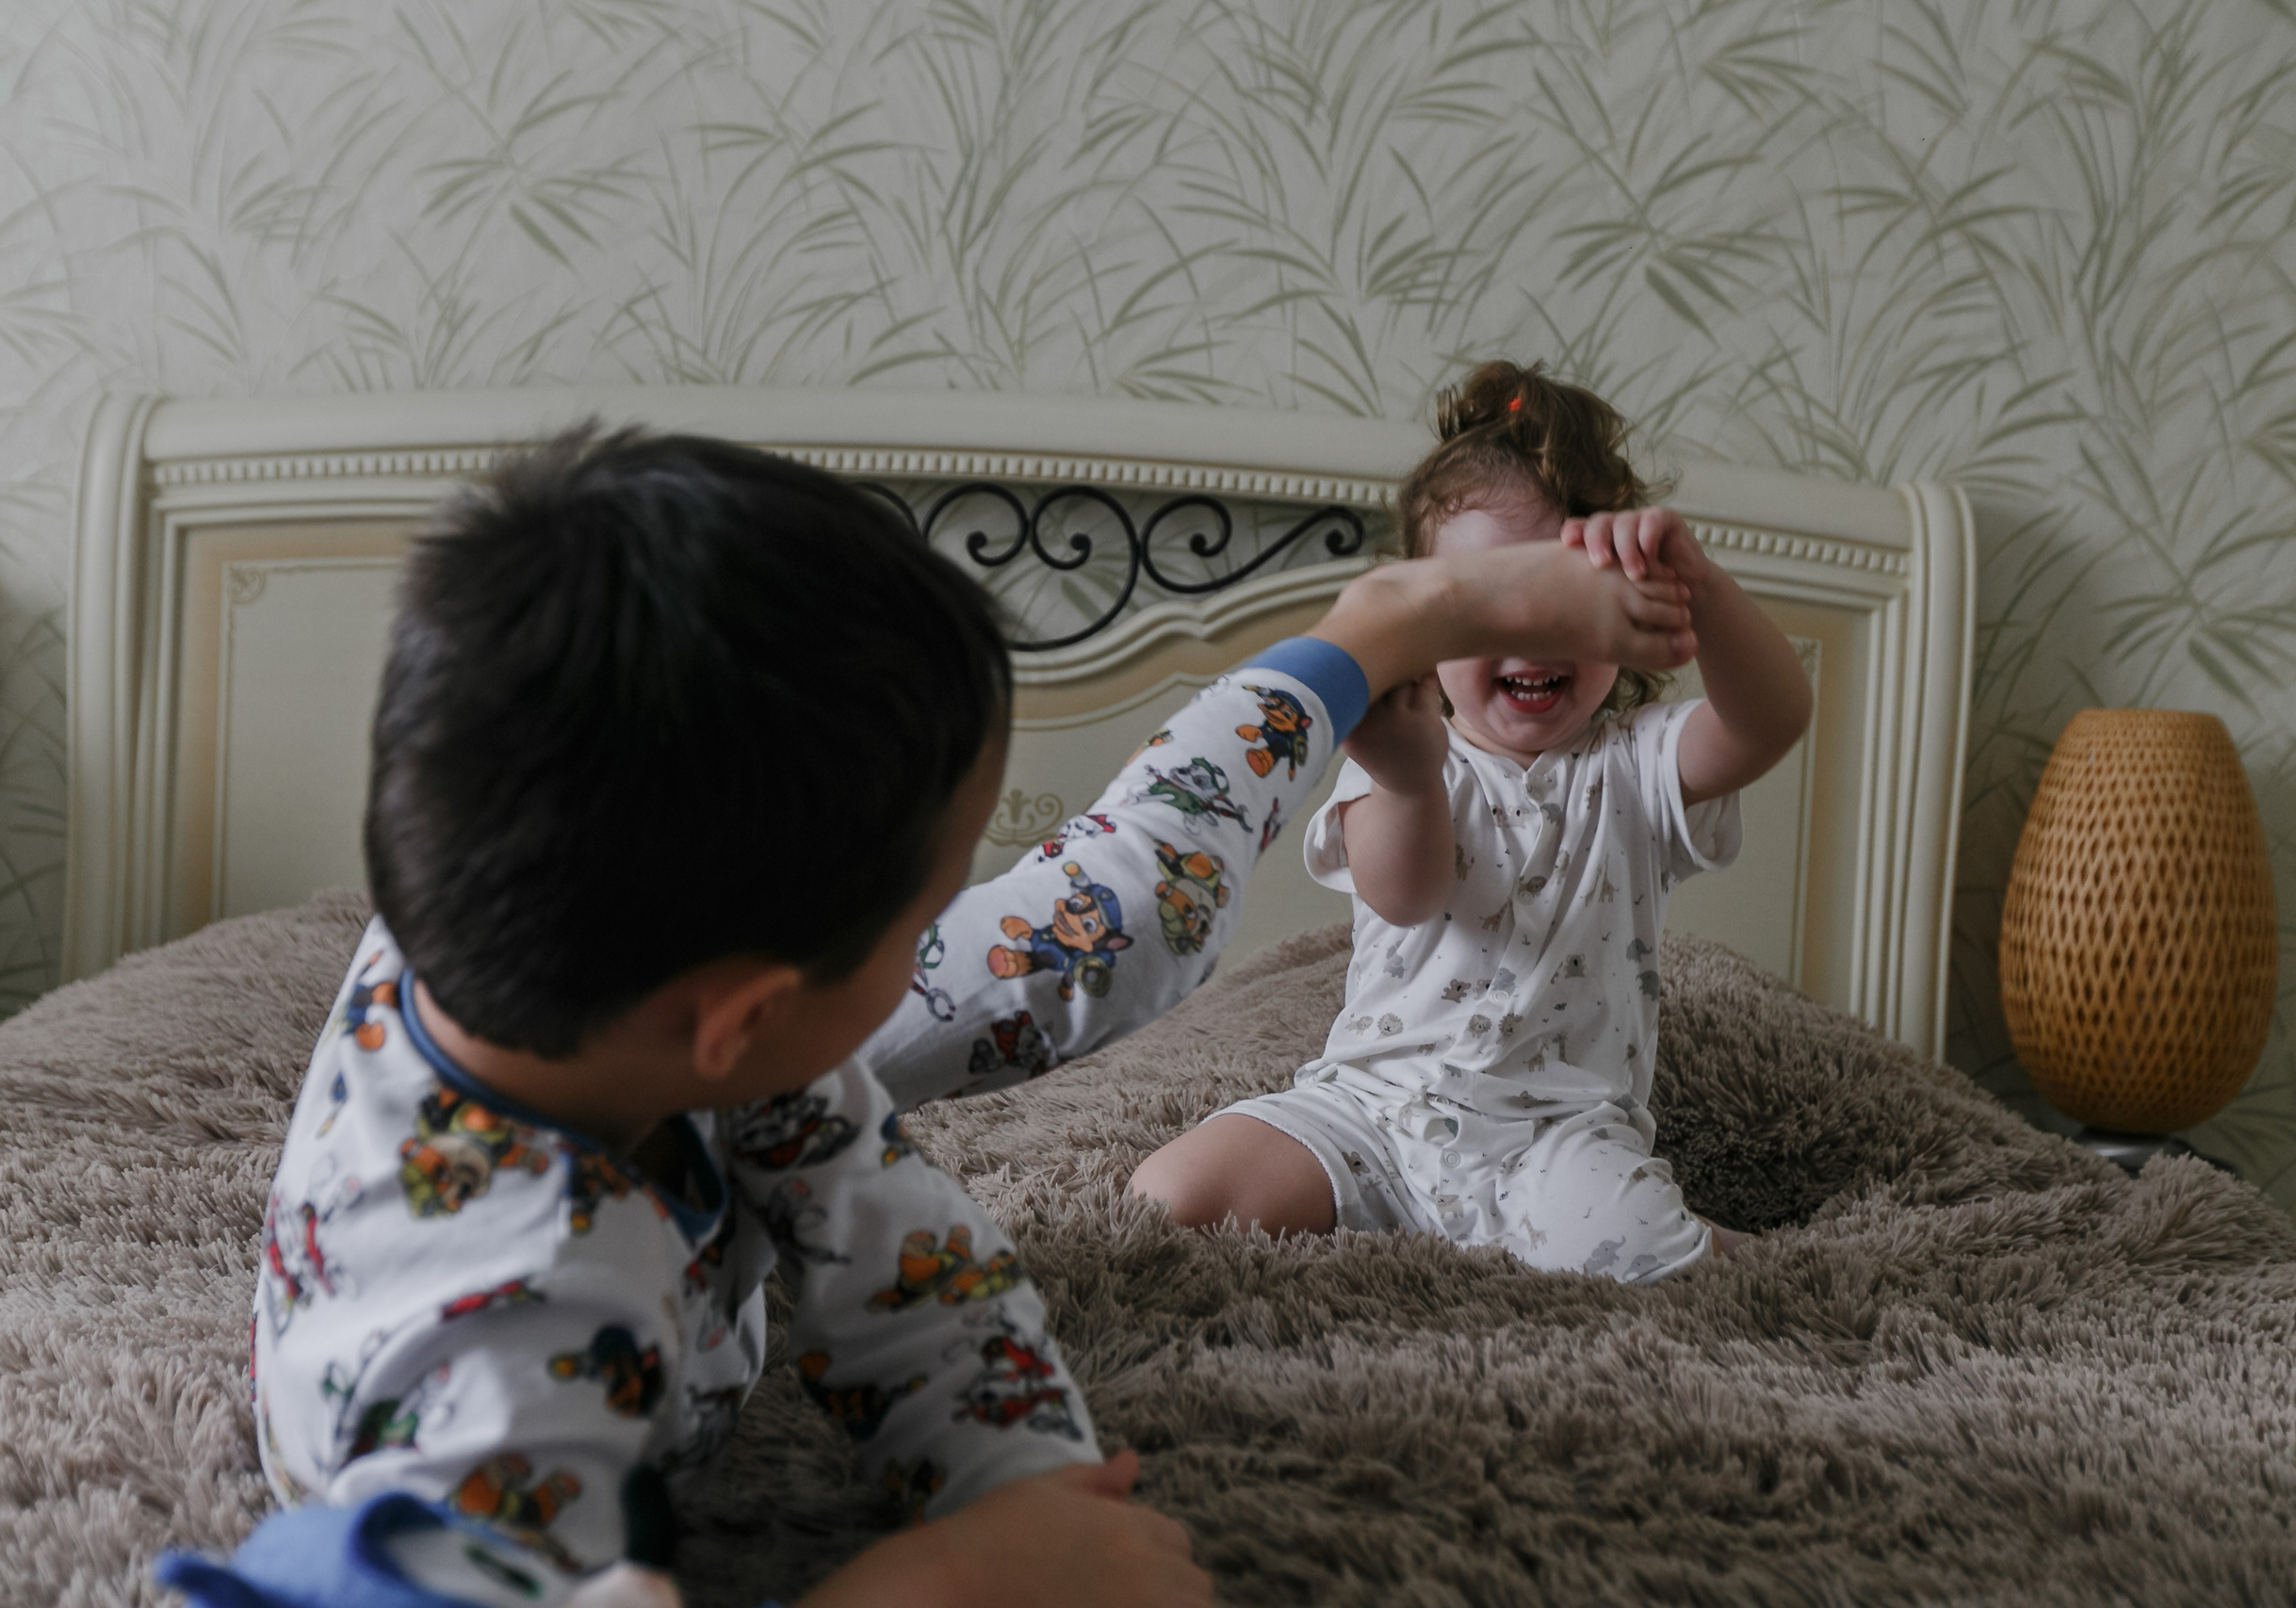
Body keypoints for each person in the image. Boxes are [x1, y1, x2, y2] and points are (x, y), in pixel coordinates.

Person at [159, 422, 1697, 1608]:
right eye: (919, 917)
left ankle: (1368, 630)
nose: (935, 939)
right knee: (1067, 948)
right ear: (747, 1015)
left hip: (698, 1059)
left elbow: (910, 1243)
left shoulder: (577, 914)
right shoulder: (493, 1374)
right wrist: (952, 1576)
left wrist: (1024, 1483)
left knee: (1087, 934)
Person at [1131, 361, 1813, 1283]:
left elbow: (1770, 720)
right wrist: (1410, 781)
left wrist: (1701, 584)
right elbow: (1403, 894)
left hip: (1556, 1136)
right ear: (1426, 619)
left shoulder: (1640, 762)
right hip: (1372, 1112)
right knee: (1171, 1197)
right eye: (1492, 605)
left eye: (1562, 602)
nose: (1530, 637)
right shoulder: (1403, 750)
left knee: (1643, 1249)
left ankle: (1709, 1242)